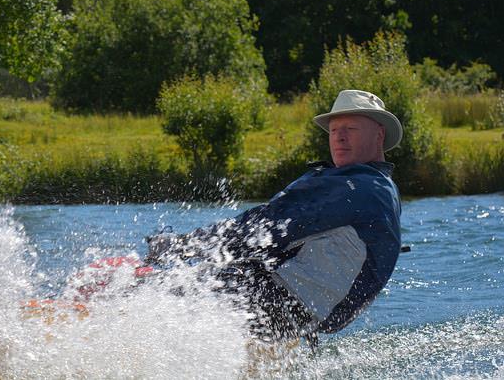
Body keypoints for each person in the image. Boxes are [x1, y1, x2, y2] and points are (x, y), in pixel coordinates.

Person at [146, 89, 403, 343]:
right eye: (334, 130)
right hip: (296, 308)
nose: (339, 138)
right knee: (183, 285)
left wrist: (183, 246)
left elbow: (268, 228)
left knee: (154, 293)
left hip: (278, 298)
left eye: (351, 129)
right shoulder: (376, 187)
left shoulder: (359, 190)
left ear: (379, 134)